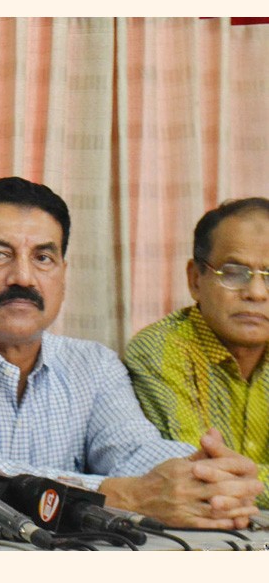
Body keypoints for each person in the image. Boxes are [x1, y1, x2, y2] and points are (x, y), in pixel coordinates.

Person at [0, 176, 263, 529]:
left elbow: (133, 450)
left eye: (43, 257)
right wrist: (124, 497)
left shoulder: (93, 364)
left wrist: (207, 475)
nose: (23, 277)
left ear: (62, 274)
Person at [126, 197, 269, 508]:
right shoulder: (159, 351)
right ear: (195, 280)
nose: (256, 293)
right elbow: (200, 476)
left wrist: (247, 483)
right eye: (234, 272)